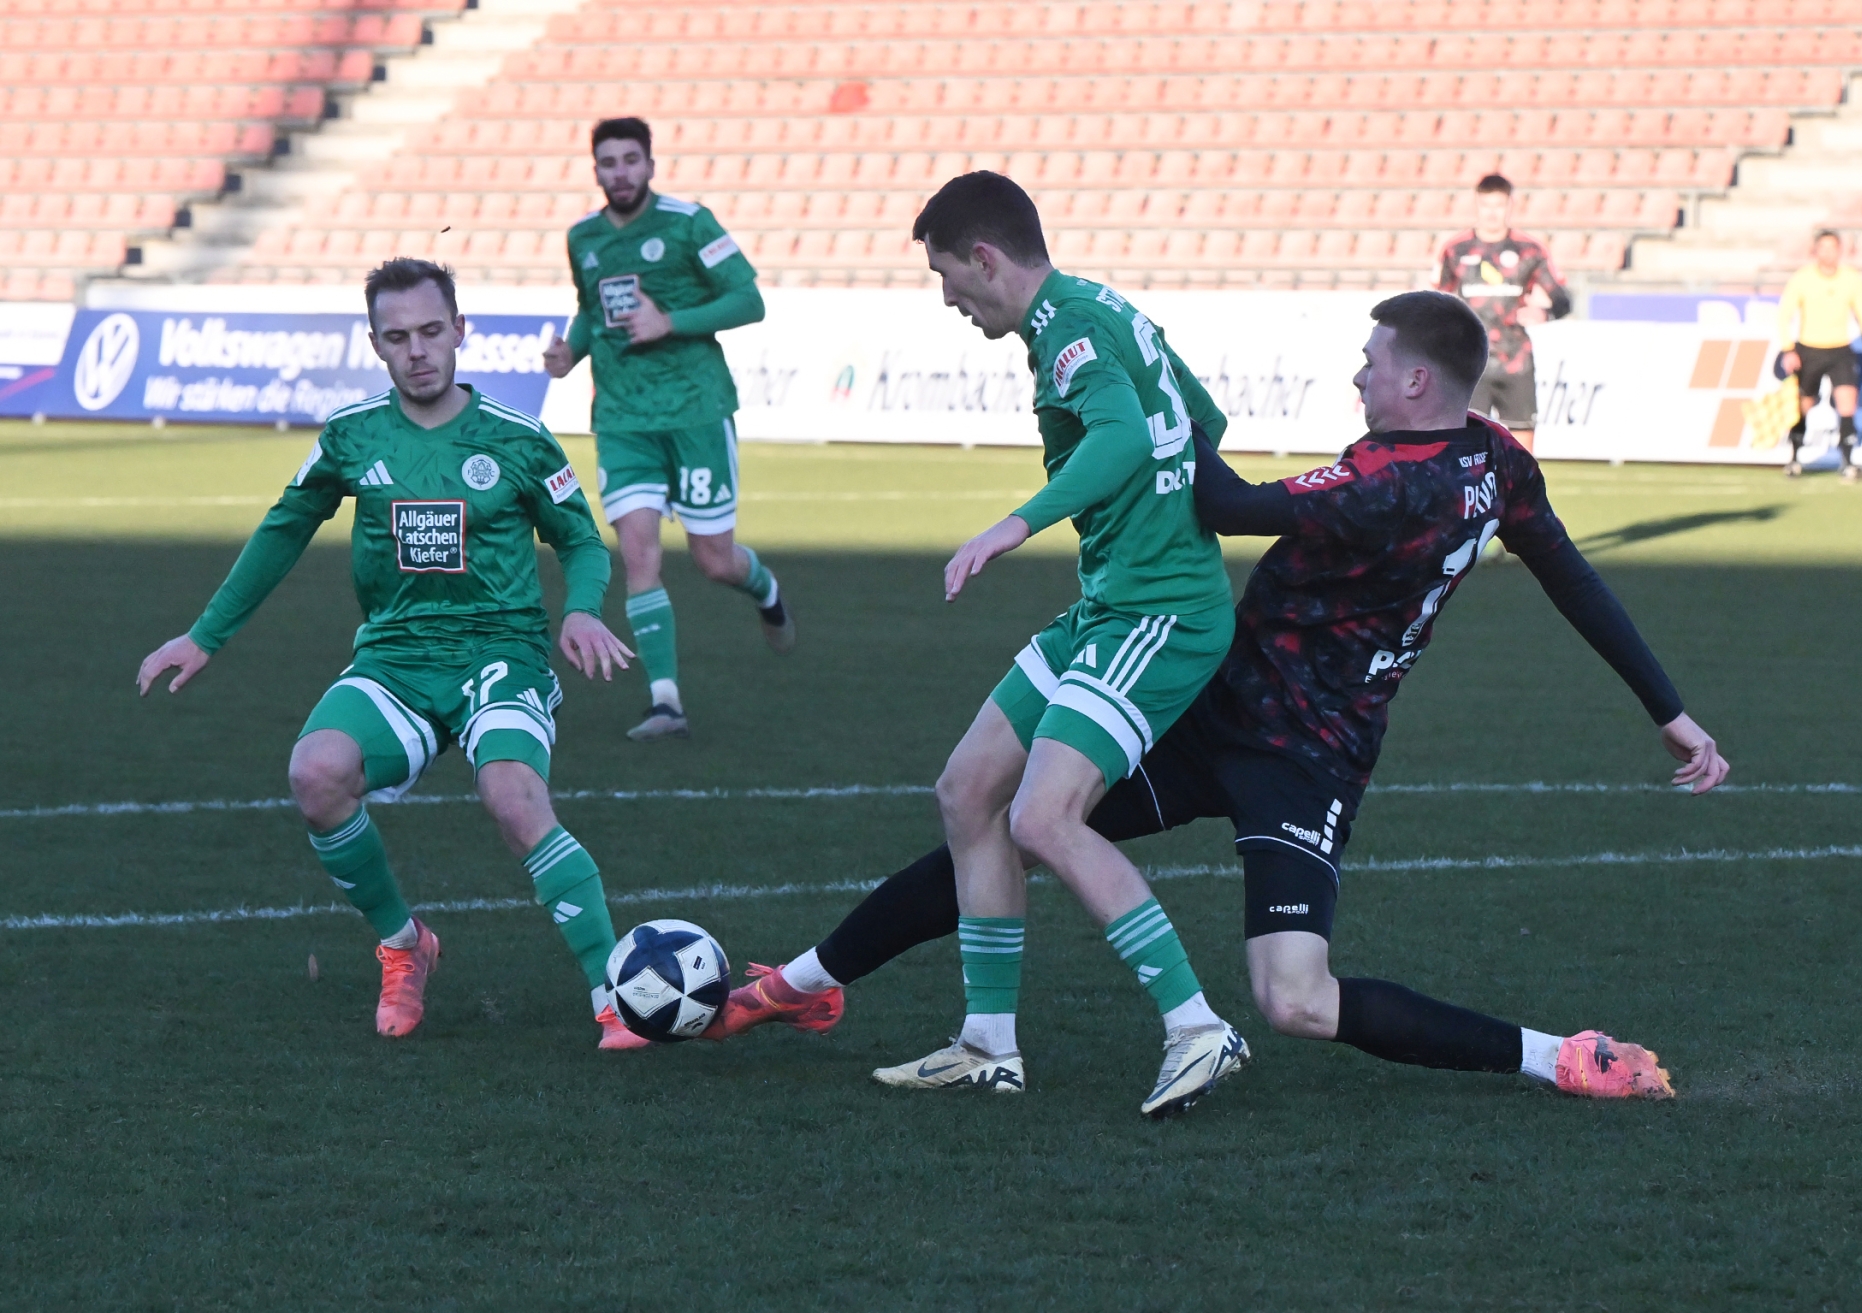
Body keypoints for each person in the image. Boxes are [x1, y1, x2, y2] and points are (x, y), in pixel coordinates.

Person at [713, 291, 1730, 1103]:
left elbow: (1225, 502)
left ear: (1416, 379)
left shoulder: (1385, 479)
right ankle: (800, 984)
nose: (1358, 374)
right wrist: (1670, 709)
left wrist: (1148, 377)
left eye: (1371, 362)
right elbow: (1570, 575)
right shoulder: (1498, 461)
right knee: (1013, 824)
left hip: (1305, 753)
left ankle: (1558, 1055)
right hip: (1217, 708)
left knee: (1295, 999)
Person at [816, 171, 1248, 1119]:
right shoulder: (1099, 307)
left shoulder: (1068, 328)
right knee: (968, 789)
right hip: (1111, 600)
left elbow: (1123, 436)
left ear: (984, 259)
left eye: (947, 277)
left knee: (1042, 818)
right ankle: (988, 1044)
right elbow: (1203, 422)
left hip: (1157, 613)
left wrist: (1017, 524)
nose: (948, 300)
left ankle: (1197, 1027)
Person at [138, 259, 648, 1051]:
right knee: (316, 773)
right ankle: (404, 944)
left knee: (513, 795)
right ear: (375, 343)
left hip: (499, 651)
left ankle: (613, 994)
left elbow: (580, 538)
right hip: (396, 657)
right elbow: (284, 527)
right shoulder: (351, 435)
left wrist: (581, 607)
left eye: (432, 331)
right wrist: (205, 634)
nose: (417, 351)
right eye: (398, 336)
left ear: (460, 331)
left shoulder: (517, 439)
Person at [542, 116, 791, 742]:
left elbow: (749, 301)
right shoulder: (583, 238)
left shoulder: (689, 223)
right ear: (596, 170)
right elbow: (589, 308)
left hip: (695, 412)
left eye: (631, 160)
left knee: (715, 561)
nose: (620, 172)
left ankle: (764, 588)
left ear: (650, 165)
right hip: (622, 419)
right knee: (638, 555)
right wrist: (571, 351)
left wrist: (669, 322)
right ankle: (665, 701)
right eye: (608, 162)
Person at [1432, 174, 1569, 452]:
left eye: (1498, 205)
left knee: (1522, 454)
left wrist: (1545, 313)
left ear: (1510, 205)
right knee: (1467, 452)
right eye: (1486, 205)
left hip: (1515, 361)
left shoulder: (1529, 250)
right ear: (1477, 204)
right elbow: (1437, 303)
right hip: (1471, 363)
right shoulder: (1456, 250)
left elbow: (1562, 299)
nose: (1492, 213)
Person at [1777, 230, 1862, 481]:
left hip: (1840, 349)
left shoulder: (1851, 279)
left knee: (1847, 403)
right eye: (1823, 248)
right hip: (1809, 349)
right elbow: (1784, 314)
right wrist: (1788, 349)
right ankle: (1794, 458)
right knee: (1804, 405)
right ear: (1815, 251)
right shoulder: (1802, 278)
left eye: (1832, 248)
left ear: (1840, 250)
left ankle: (1848, 462)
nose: (1828, 253)